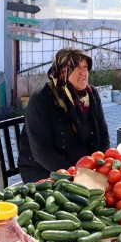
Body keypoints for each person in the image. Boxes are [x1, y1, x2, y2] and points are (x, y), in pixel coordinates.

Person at [19, 47, 110, 182]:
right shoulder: (41, 99)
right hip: (45, 170)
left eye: (85, 67)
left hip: (82, 167)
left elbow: (103, 136)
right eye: (76, 67)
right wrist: (73, 175)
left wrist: (102, 165)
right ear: (62, 70)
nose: (83, 72)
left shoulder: (91, 95)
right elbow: (41, 151)